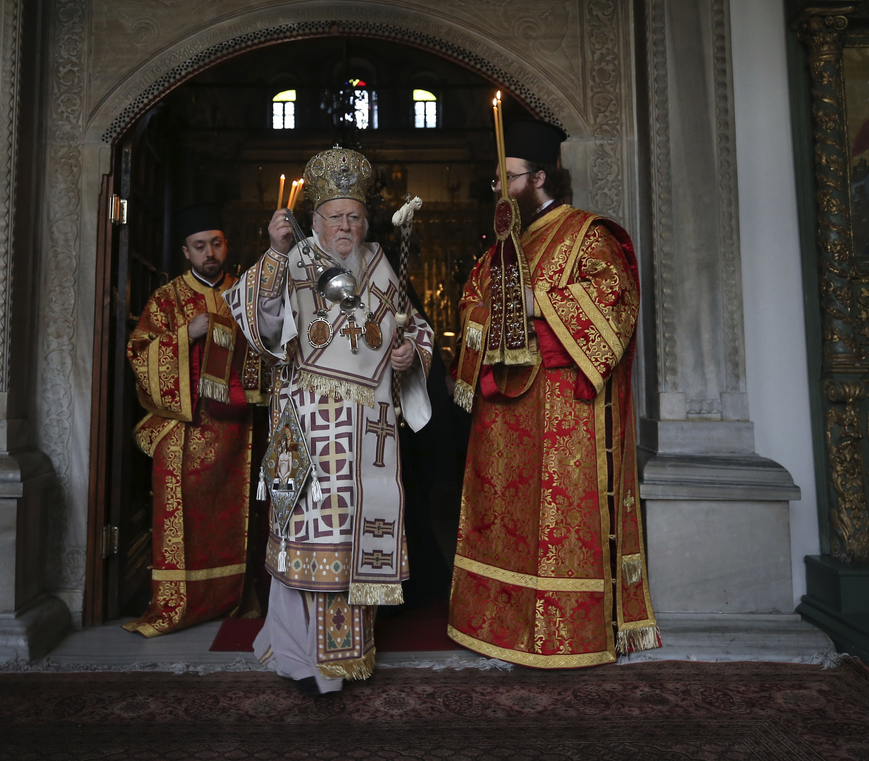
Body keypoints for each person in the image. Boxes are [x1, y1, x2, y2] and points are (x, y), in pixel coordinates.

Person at [447, 119, 661, 668]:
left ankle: (569, 636)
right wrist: (494, 310)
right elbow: (472, 304)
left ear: (540, 177)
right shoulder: (501, 248)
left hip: (566, 409)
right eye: (497, 180)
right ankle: (502, 626)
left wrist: (537, 304)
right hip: (504, 411)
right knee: (503, 520)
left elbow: (616, 307)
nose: (499, 189)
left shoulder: (588, 233)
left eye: (508, 178)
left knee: (556, 524)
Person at [226, 145, 435, 693]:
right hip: (311, 430)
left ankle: (350, 657)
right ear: (315, 220)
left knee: (357, 540)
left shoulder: (379, 265)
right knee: (309, 541)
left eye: (355, 218)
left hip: (369, 436)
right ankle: (301, 657)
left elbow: (415, 328)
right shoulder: (295, 260)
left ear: (367, 221)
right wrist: (273, 252)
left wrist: (411, 353)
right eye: (336, 217)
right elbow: (262, 324)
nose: (346, 226)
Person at [123, 204, 266, 638]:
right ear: (186, 252)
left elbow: (269, 348)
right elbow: (140, 355)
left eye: (216, 244)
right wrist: (189, 333)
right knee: (181, 521)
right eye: (200, 246)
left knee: (239, 519)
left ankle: (236, 600)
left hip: (238, 432)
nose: (210, 253)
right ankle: (177, 606)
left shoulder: (244, 294)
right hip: (183, 429)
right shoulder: (166, 299)